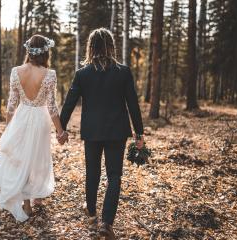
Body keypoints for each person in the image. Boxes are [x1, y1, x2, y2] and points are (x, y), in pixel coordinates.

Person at [59, 28, 145, 239]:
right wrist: (139, 134)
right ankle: (106, 223)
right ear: (111, 46)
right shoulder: (123, 72)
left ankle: (91, 211)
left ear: (91, 47)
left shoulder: (82, 74)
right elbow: (133, 104)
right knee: (115, 175)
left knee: (93, 172)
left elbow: (70, 102)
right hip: (117, 131)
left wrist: (61, 128)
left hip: (92, 131)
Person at [0, 34, 68, 222]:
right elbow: (52, 107)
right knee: (38, 156)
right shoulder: (49, 75)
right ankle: (37, 195)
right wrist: (60, 131)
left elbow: (11, 104)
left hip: (21, 117)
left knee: (22, 157)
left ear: (28, 51)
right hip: (40, 119)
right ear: (45, 52)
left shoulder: (16, 71)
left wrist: (9, 129)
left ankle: (27, 203)